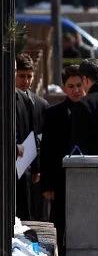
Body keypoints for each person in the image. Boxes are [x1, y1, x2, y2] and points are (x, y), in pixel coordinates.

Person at [41, 65, 86, 256]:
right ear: (64, 88)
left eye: (79, 85)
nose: (76, 90)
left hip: (87, 176)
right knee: (60, 219)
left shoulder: (91, 109)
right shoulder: (53, 114)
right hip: (60, 178)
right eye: (71, 86)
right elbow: (48, 151)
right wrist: (47, 184)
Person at [15, 53, 49, 221]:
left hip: (31, 166)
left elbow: (40, 137)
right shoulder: (12, 100)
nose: (26, 81)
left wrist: (37, 167)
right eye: (22, 76)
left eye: (29, 76)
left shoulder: (40, 104)